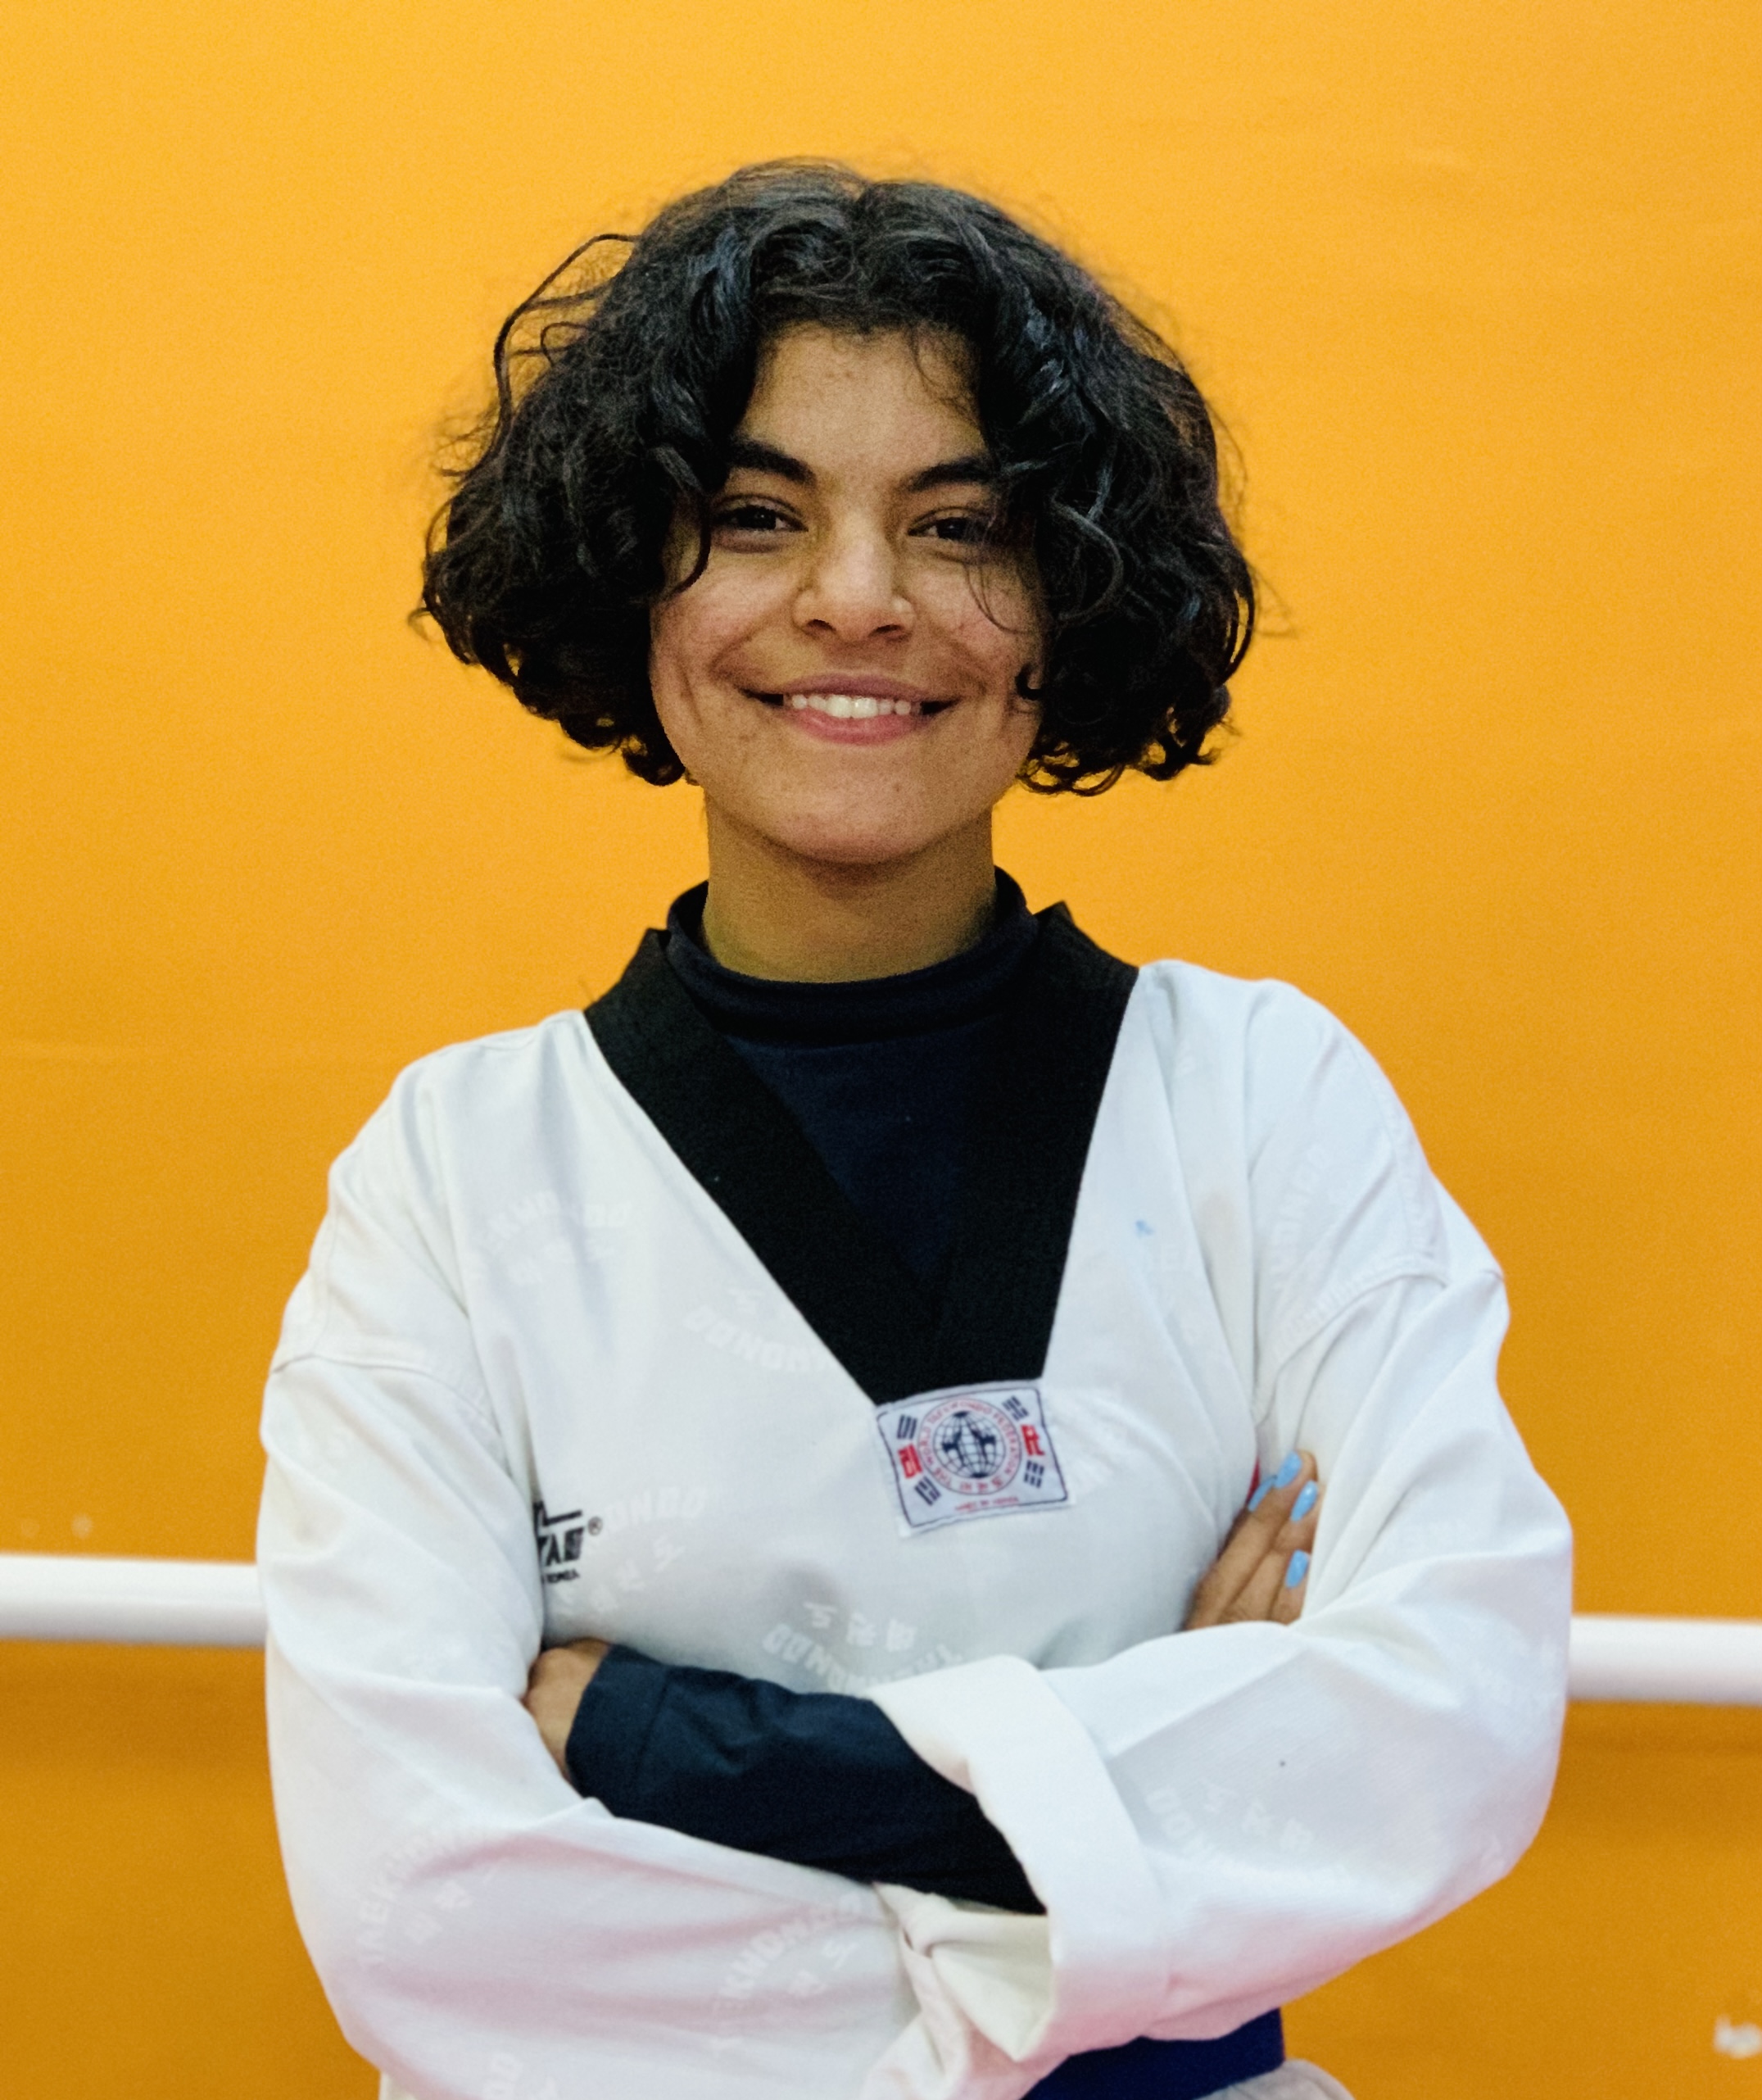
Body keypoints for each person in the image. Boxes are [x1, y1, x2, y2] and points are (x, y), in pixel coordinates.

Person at [257, 163, 1572, 2100]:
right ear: (628, 576)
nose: (857, 596)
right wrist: (1143, 1771)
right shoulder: (453, 1176)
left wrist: (652, 1741)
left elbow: (1435, 1729)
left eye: (958, 527)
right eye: (754, 516)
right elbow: (420, 1902)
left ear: (1065, 599)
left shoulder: (1260, 1101)